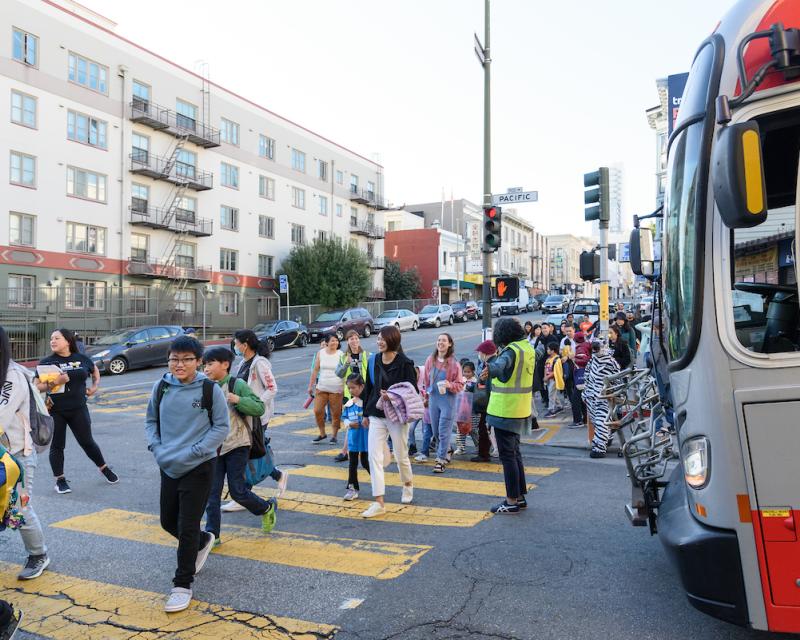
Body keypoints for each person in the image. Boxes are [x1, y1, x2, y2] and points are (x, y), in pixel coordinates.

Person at [144, 335, 229, 612]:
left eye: (186, 359)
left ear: (198, 362)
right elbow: (151, 421)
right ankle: (204, 540)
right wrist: (157, 448)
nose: (179, 364)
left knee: (188, 525)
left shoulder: (209, 390)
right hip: (168, 463)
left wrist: (195, 451)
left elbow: (220, 428)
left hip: (199, 466)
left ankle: (182, 584)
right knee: (168, 522)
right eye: (174, 359)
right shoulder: (161, 387)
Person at [202, 347, 277, 545]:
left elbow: (259, 407)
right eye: (205, 365)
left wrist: (239, 400)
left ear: (225, 365)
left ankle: (266, 508)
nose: (206, 368)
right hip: (214, 448)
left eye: (210, 364)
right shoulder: (204, 386)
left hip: (238, 445)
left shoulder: (237, 384)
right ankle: (213, 535)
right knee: (212, 493)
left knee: (237, 491)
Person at [35, 328, 116, 494]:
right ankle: (60, 480)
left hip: (79, 409)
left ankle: (104, 468)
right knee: (58, 445)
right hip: (56, 411)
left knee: (87, 442)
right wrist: (55, 382)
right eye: (51, 338)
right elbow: (36, 387)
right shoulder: (47, 363)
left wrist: (94, 387)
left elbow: (94, 370)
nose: (53, 341)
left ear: (68, 341)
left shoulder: (81, 359)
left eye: (57, 338)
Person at [0, 327, 49, 580]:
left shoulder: (12, 376)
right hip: (2, 455)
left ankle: (38, 554)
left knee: (19, 508)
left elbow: (1, 415)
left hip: (17, 456)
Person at [223, 329, 287, 512]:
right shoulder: (244, 362)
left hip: (258, 416)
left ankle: (242, 495)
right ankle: (277, 475)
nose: (235, 347)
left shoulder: (259, 363)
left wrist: (256, 403)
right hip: (246, 415)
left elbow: (272, 388)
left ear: (245, 344)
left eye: (236, 343)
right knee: (254, 451)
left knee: (246, 453)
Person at [360, 326, 416, 518]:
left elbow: (411, 391)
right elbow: (368, 388)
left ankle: (407, 484)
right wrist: (365, 413)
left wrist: (392, 397)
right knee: (373, 457)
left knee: (401, 456)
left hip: (397, 417)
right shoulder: (373, 360)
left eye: (383, 339)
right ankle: (379, 502)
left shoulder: (405, 363)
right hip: (376, 414)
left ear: (392, 340)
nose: (379, 342)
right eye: (378, 338)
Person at [480, 317, 535, 514]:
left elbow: (500, 365)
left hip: (505, 410)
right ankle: (519, 497)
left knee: (508, 456)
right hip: (521, 409)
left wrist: (489, 368)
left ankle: (511, 500)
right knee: (515, 453)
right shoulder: (526, 348)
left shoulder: (511, 351)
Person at [421, 333, 465, 474]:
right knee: (436, 432)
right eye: (439, 340)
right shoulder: (430, 360)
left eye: (444, 341)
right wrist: (426, 397)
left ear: (450, 344)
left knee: (444, 431)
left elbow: (460, 385)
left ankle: (440, 461)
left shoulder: (454, 363)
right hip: (434, 400)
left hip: (448, 401)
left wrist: (449, 385)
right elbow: (427, 382)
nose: (440, 343)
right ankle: (448, 449)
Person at [333, 331, 370, 463]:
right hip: (350, 395)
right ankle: (346, 451)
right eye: (351, 339)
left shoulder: (366, 355)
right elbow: (338, 373)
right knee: (353, 423)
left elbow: (371, 373)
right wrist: (347, 364)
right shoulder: (344, 357)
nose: (354, 341)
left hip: (365, 393)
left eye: (356, 338)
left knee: (365, 422)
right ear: (347, 341)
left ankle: (354, 450)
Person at [585, 341, 622, 458]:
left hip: (605, 397)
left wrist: (614, 393)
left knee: (602, 420)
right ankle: (606, 437)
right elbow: (587, 376)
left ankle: (600, 447)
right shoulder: (592, 361)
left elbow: (618, 380)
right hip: (591, 396)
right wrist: (586, 392)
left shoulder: (611, 362)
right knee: (596, 420)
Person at [308, 333, 344, 444]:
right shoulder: (321, 353)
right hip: (321, 387)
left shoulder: (341, 354)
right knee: (317, 411)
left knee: (336, 413)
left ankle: (334, 436)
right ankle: (322, 433)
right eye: (332, 340)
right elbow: (315, 370)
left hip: (336, 388)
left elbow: (344, 372)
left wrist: (345, 388)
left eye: (336, 340)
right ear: (327, 342)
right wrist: (311, 385)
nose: (335, 342)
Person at [341, 374, 369, 501]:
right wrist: (350, 424)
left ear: (362, 386)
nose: (351, 390)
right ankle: (352, 488)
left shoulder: (367, 403)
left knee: (365, 462)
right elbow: (345, 419)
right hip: (353, 440)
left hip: (366, 440)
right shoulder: (349, 404)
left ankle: (377, 480)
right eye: (349, 388)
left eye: (354, 388)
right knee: (352, 464)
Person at [470, 340, 496, 463]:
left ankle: (484, 454)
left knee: (483, 428)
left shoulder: (490, 366)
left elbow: (484, 384)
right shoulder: (492, 363)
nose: (479, 354)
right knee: (484, 427)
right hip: (491, 402)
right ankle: (485, 452)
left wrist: (473, 386)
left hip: (489, 402)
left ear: (485, 353)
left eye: (480, 352)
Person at [453, 361, 478, 456]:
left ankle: (479, 446)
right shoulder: (461, 380)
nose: (466, 374)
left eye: (469, 372)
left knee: (473, 429)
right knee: (460, 428)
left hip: (472, 410)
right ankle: (461, 447)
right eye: (465, 371)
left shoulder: (476, 382)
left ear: (473, 372)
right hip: (462, 410)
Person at [543, 342, 564, 417]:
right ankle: (559, 406)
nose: (547, 350)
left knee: (551, 394)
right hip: (549, 379)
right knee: (552, 393)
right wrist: (545, 376)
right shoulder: (548, 359)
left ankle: (551, 409)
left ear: (553, 350)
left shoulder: (557, 359)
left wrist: (547, 377)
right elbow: (546, 368)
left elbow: (556, 372)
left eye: (548, 349)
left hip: (554, 380)